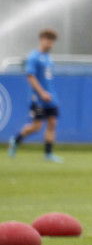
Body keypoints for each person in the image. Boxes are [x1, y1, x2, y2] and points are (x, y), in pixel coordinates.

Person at [8, 28, 64, 162]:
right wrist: (41, 92)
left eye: (51, 41)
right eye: (47, 40)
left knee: (52, 123)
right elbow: (31, 76)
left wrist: (50, 93)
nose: (49, 43)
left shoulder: (49, 59)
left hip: (51, 98)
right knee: (36, 126)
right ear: (41, 40)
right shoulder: (33, 56)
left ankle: (48, 154)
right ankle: (15, 140)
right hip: (38, 98)